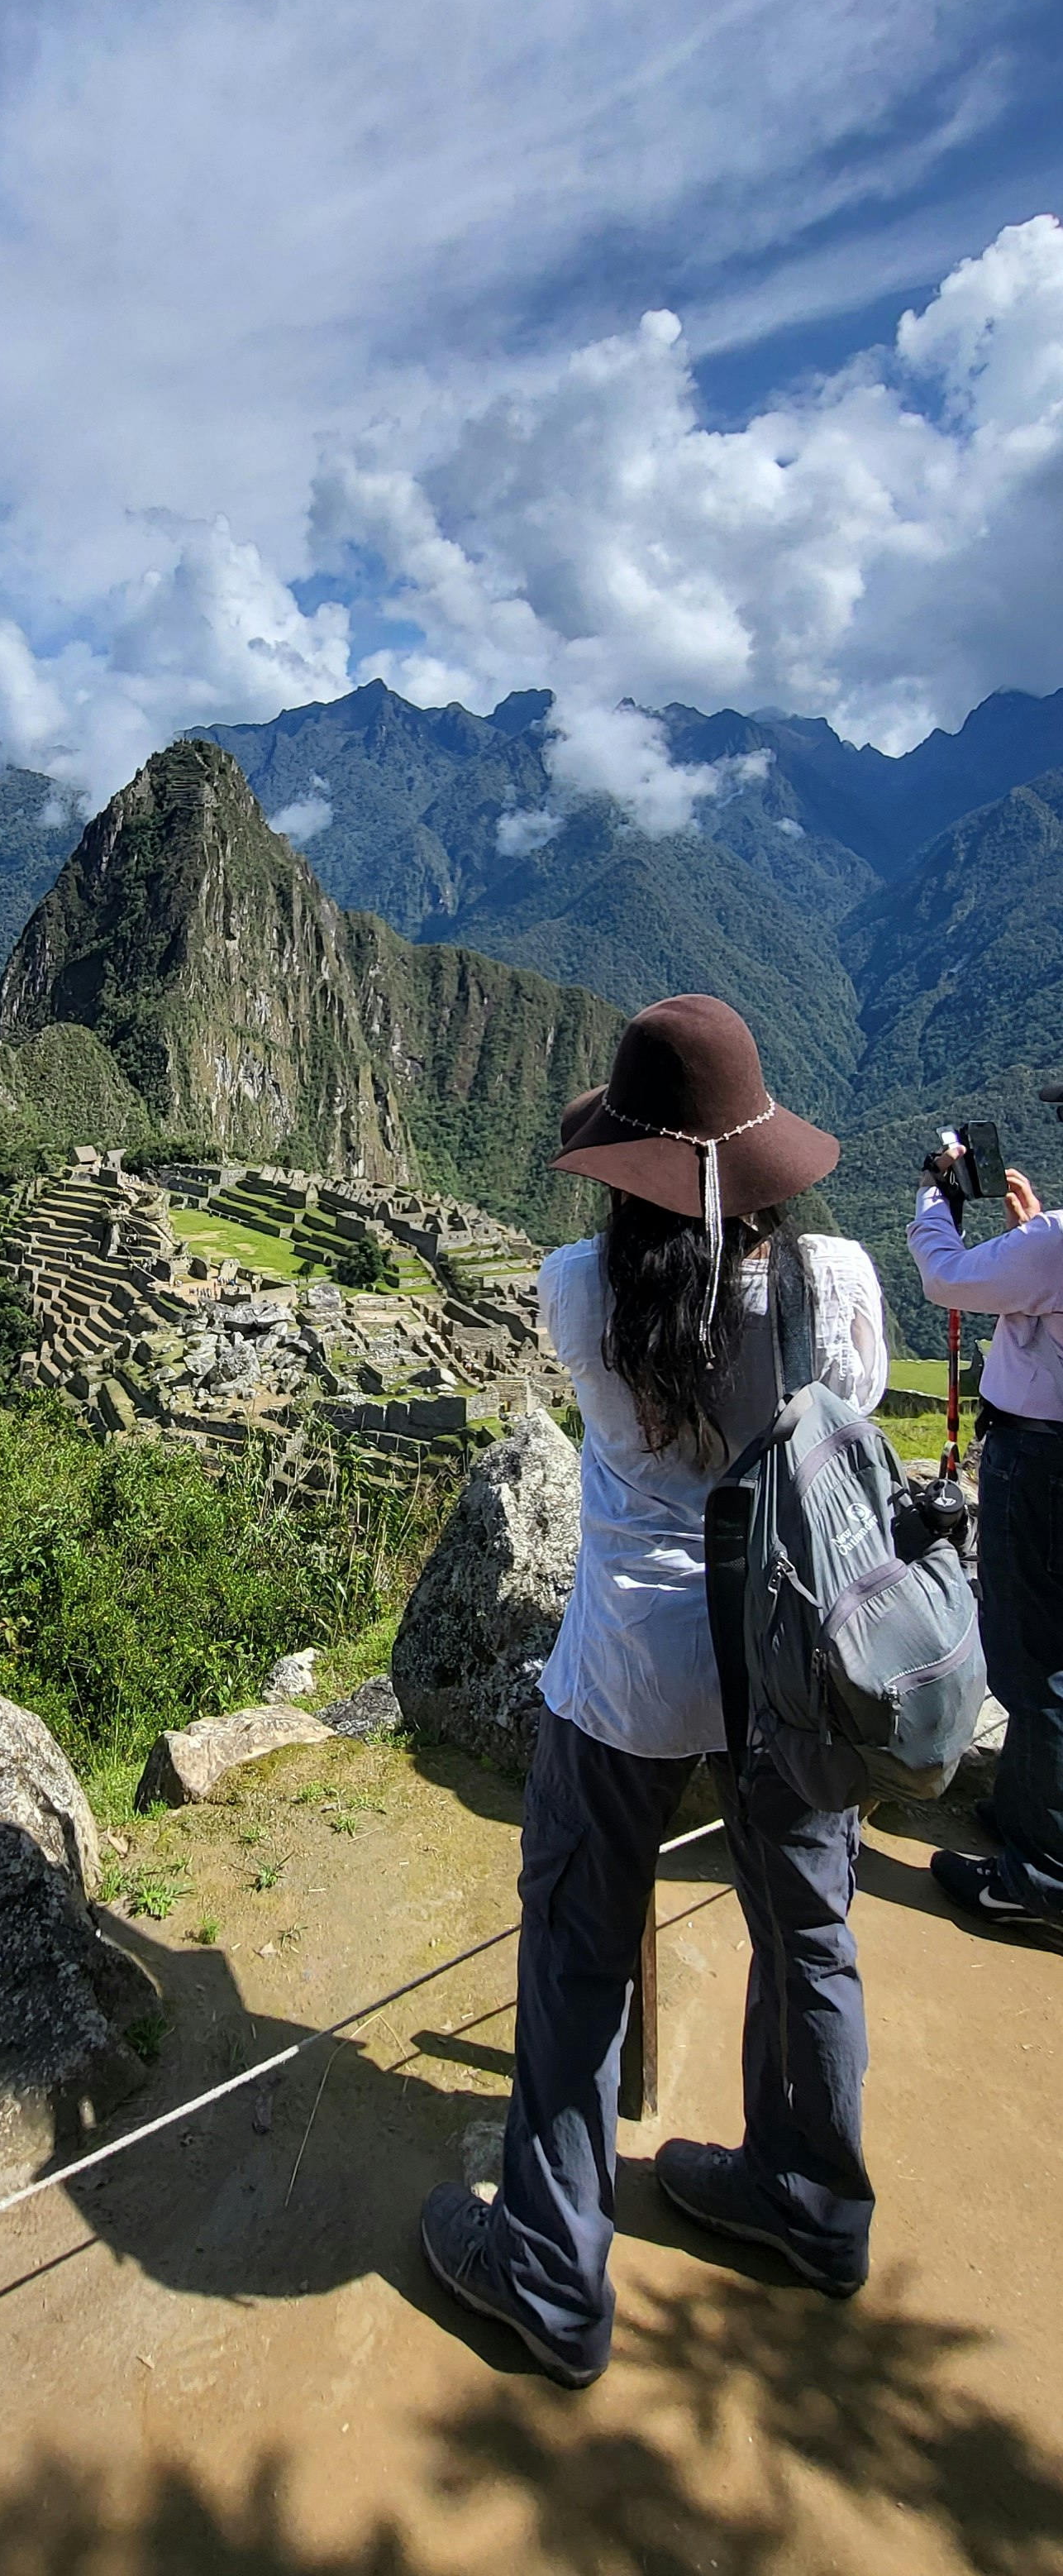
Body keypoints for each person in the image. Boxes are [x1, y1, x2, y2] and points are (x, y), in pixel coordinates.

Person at [419, 993, 888, 2387]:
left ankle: (554, 2274)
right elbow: (843, 1421)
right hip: (788, 1667)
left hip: (627, 1672)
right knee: (808, 1936)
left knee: (573, 1954)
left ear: (626, 1166)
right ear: (756, 1158)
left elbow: (638, 1330)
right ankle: (811, 2202)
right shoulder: (842, 1285)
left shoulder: (577, 1290)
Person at [908, 1159, 1063, 1933]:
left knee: (1036, 1659)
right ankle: (1037, 1815)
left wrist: (934, 1198)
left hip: (1044, 1466)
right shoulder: (1051, 1245)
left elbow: (945, 1278)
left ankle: (1038, 1880)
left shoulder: (1057, 1246)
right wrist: (1029, 1240)